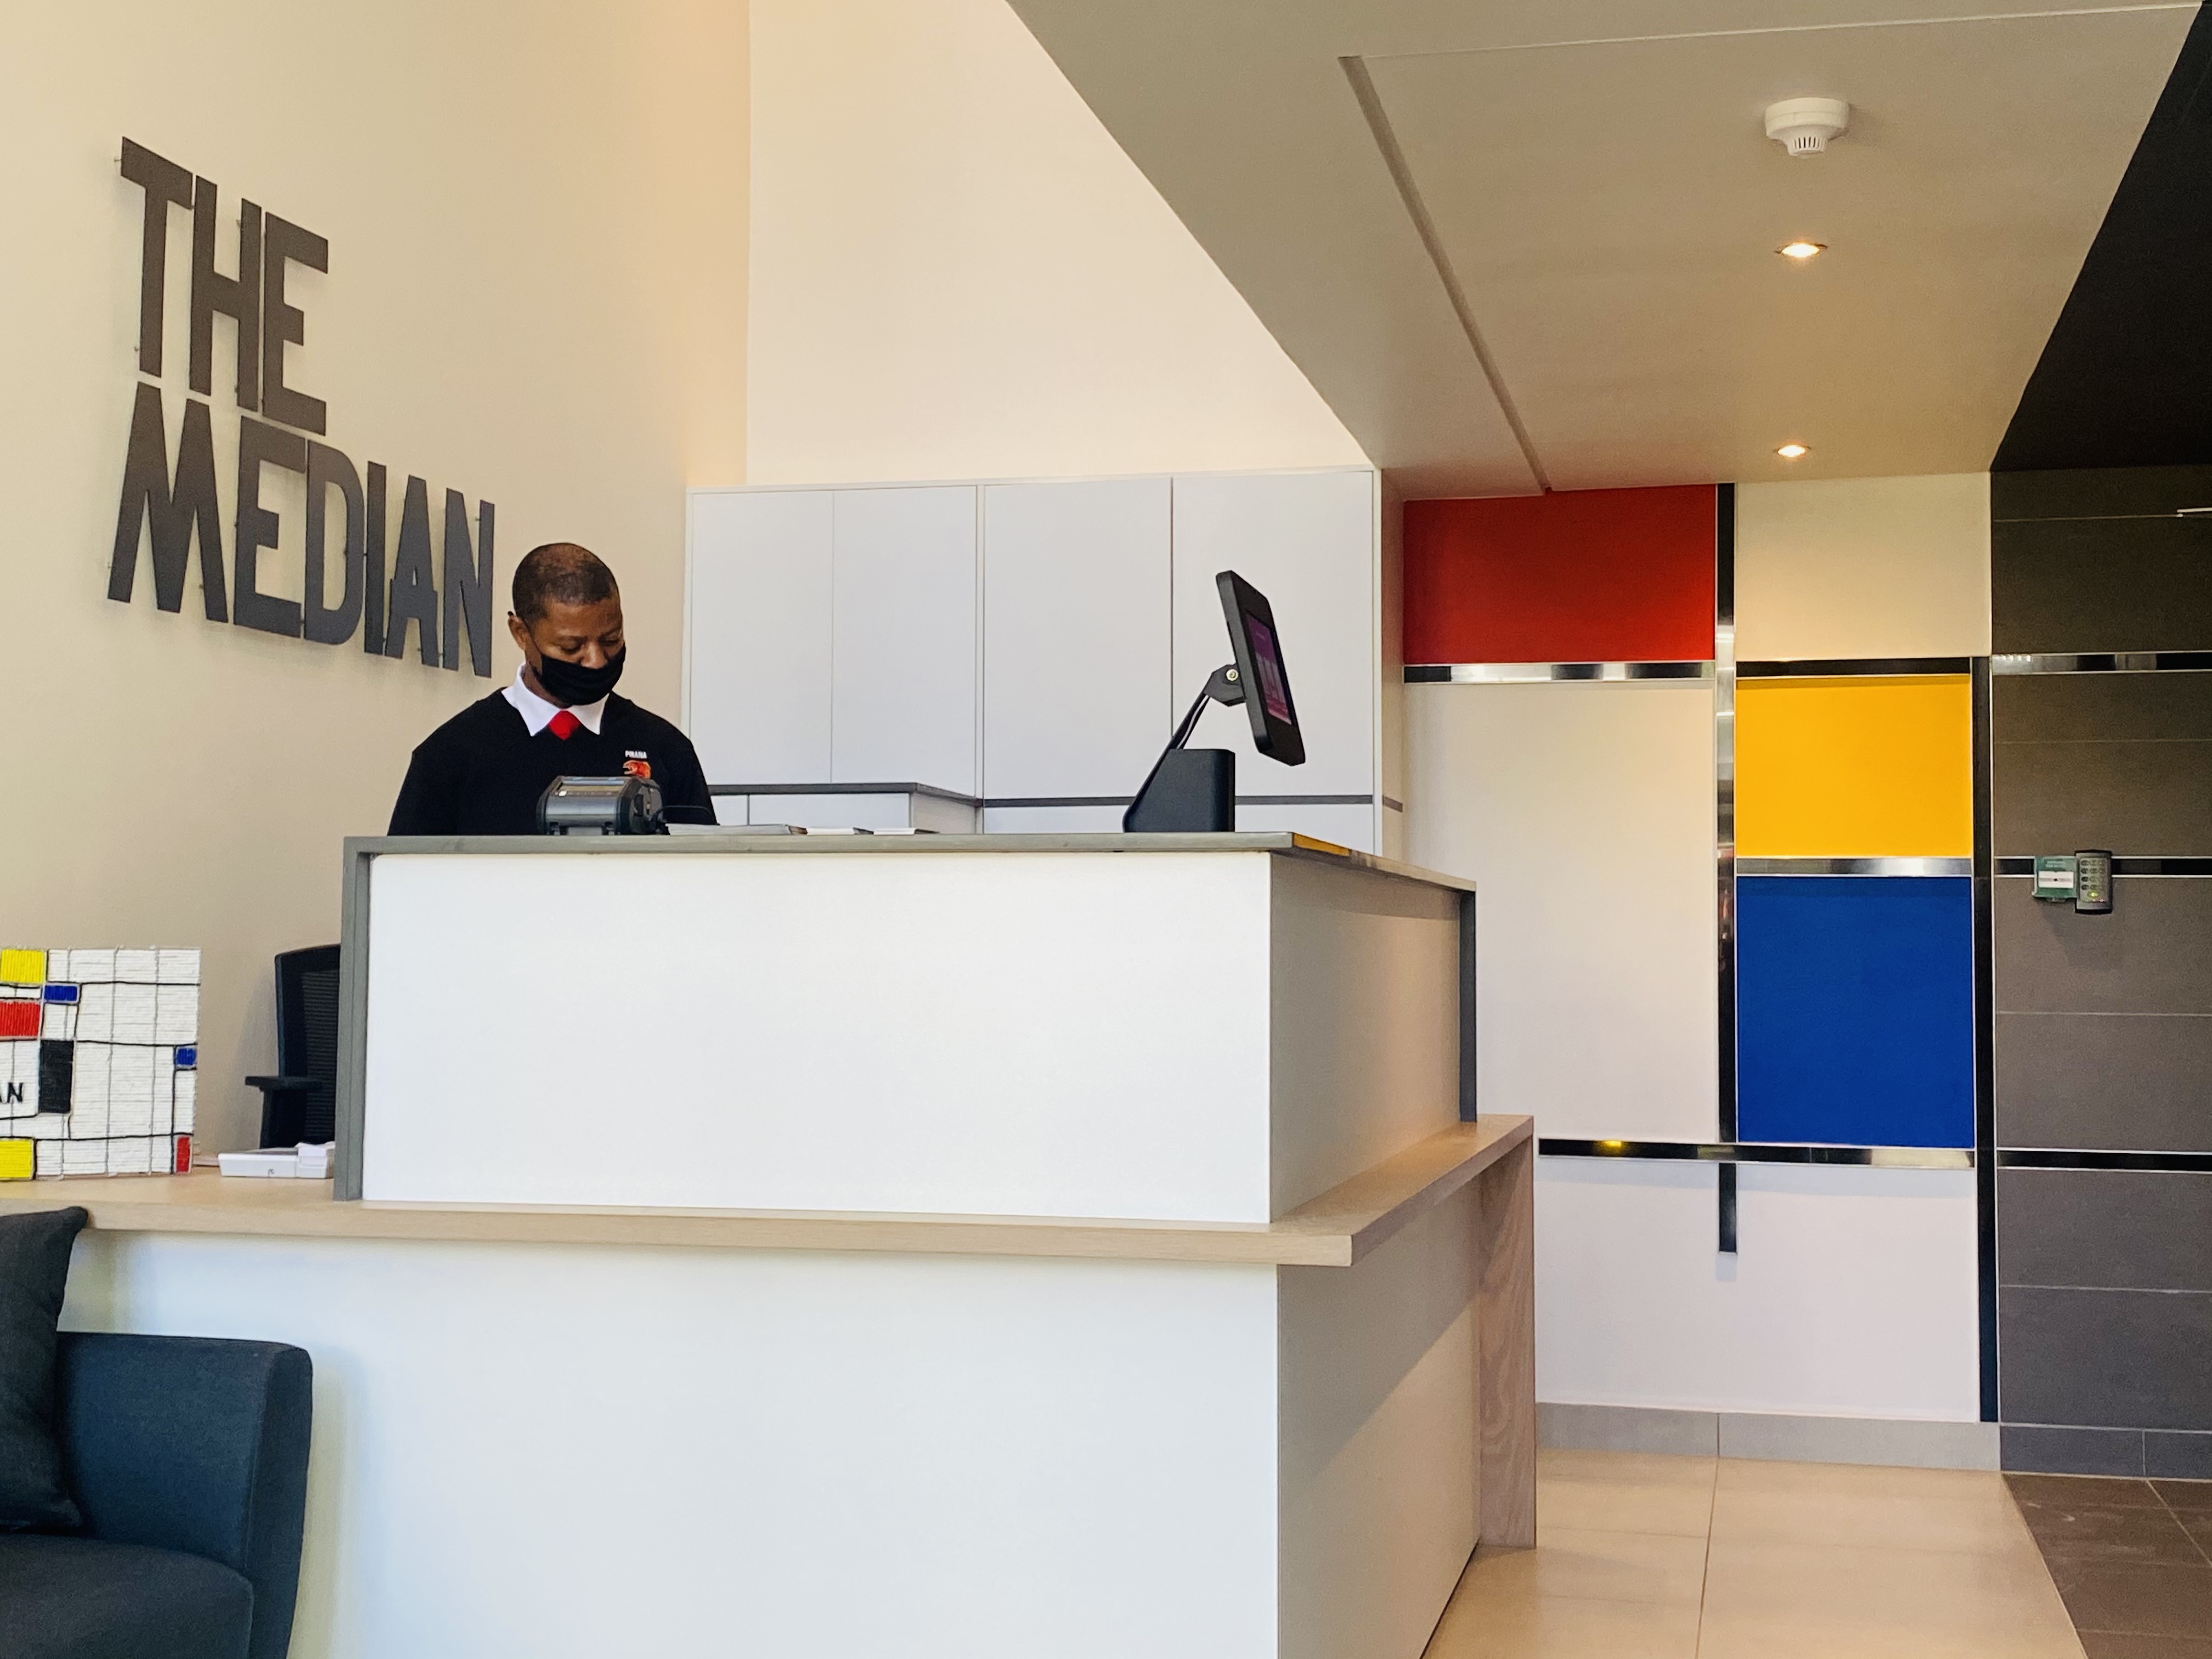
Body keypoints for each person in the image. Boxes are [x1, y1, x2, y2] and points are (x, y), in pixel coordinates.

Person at [387, 542, 713, 834]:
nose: (596, 661)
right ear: (520, 633)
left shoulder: (667, 750)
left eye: (611, 640)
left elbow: (705, 872)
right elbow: (403, 877)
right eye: (572, 647)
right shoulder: (450, 755)